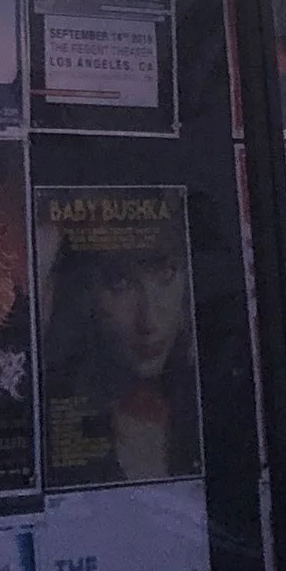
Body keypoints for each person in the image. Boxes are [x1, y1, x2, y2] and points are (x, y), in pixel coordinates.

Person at [40, 203, 200, 482]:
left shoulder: (211, 405)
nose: (149, 320)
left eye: (166, 274)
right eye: (120, 282)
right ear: (84, 294)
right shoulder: (52, 417)